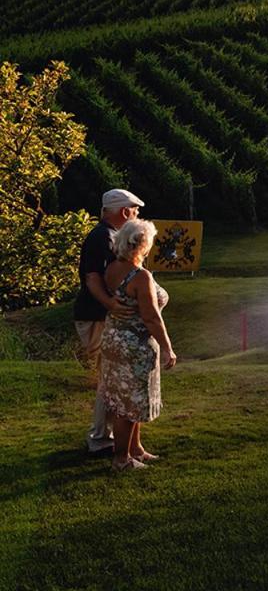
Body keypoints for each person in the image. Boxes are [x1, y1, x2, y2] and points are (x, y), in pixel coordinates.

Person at [72, 188, 144, 455]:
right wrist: (111, 304)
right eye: (135, 211)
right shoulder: (101, 237)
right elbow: (92, 278)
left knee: (110, 378)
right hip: (96, 316)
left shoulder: (107, 235)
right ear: (125, 212)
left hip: (99, 315)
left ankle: (108, 436)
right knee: (109, 379)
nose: (136, 216)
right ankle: (101, 438)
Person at [101, 218, 176, 471]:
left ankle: (136, 449)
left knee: (127, 400)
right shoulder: (140, 276)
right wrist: (167, 347)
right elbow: (151, 316)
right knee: (129, 405)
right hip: (135, 345)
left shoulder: (112, 268)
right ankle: (121, 460)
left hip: (114, 340)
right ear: (142, 244)